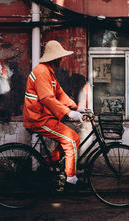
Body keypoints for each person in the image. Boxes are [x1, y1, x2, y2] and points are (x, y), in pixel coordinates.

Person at [23, 40, 87, 185]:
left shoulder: (49, 73)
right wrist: (68, 113)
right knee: (72, 140)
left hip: (45, 117)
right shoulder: (41, 72)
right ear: (55, 58)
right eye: (61, 57)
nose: (62, 59)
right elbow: (47, 99)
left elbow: (60, 94)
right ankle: (71, 178)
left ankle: (47, 165)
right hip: (38, 119)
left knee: (65, 143)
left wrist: (76, 107)